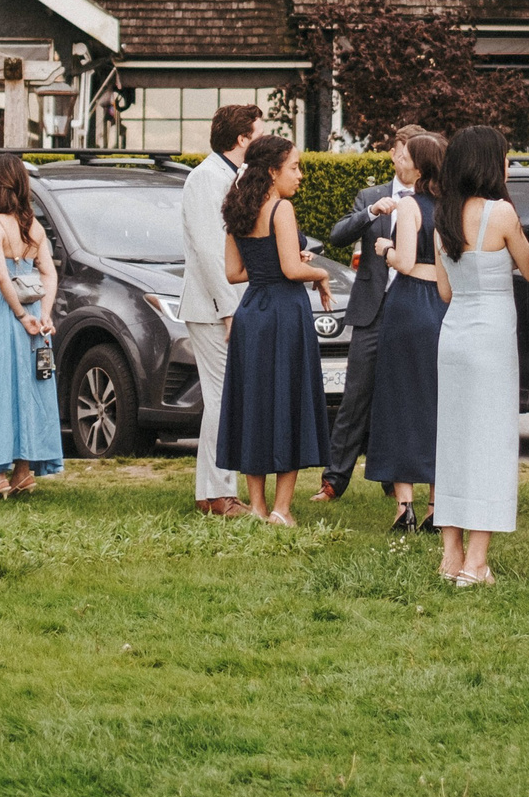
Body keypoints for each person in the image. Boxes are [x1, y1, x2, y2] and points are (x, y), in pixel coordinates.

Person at [430, 125, 529, 585]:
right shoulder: (502, 214)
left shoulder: (443, 216)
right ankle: (476, 563)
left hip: (453, 337)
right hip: (492, 338)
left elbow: (444, 290)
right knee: (490, 443)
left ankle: (450, 556)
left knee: (453, 442)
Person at [215, 137, 336, 525]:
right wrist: (320, 272)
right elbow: (291, 271)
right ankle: (282, 509)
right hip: (284, 312)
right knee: (289, 401)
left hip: (252, 311)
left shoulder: (237, 208)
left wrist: (273, 261)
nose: (299, 175)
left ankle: (257, 507)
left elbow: (234, 273)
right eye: (295, 167)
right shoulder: (281, 208)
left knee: (255, 405)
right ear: (272, 170)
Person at [319, 124, 429, 503]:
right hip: (372, 310)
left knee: (405, 397)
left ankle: (396, 480)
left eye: (412, 152)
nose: (405, 159)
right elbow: (337, 236)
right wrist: (369, 212)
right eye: (401, 151)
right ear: (394, 154)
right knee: (355, 398)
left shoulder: (433, 199)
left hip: (414, 309)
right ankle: (334, 481)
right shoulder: (371, 195)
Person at [0, 153, 65, 496]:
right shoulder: (33, 225)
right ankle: (23, 472)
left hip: (2, 314)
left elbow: (1, 279)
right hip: (34, 314)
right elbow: (49, 273)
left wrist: (21, 315)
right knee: (27, 390)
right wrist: (44, 314)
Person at [180, 106, 261, 516]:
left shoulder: (232, 178)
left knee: (223, 398)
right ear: (242, 138)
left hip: (226, 305)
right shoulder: (205, 179)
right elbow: (211, 251)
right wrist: (229, 310)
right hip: (213, 307)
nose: (260, 139)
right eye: (256, 133)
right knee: (221, 399)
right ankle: (217, 495)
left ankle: (211, 492)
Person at [369, 132, 448, 532]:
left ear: (418, 166)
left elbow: (402, 260)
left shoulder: (409, 204)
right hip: (443, 302)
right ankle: (437, 506)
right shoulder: (453, 205)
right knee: (437, 401)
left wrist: (384, 248)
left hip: (409, 302)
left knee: (400, 400)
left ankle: (405, 505)